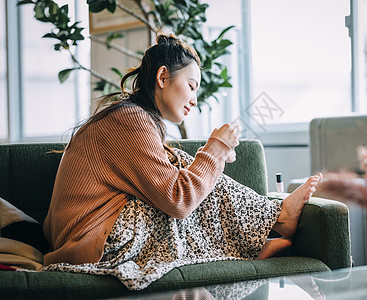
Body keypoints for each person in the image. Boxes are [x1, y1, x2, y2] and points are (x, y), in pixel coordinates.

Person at [42, 34, 322, 291]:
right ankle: (270, 225)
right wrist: (215, 150)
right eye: (191, 86)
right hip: (92, 244)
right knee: (181, 183)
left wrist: (214, 157)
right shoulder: (129, 120)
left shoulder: (133, 118)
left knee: (182, 164)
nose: (194, 100)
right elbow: (178, 200)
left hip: (93, 235)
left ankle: (266, 227)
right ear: (163, 77)